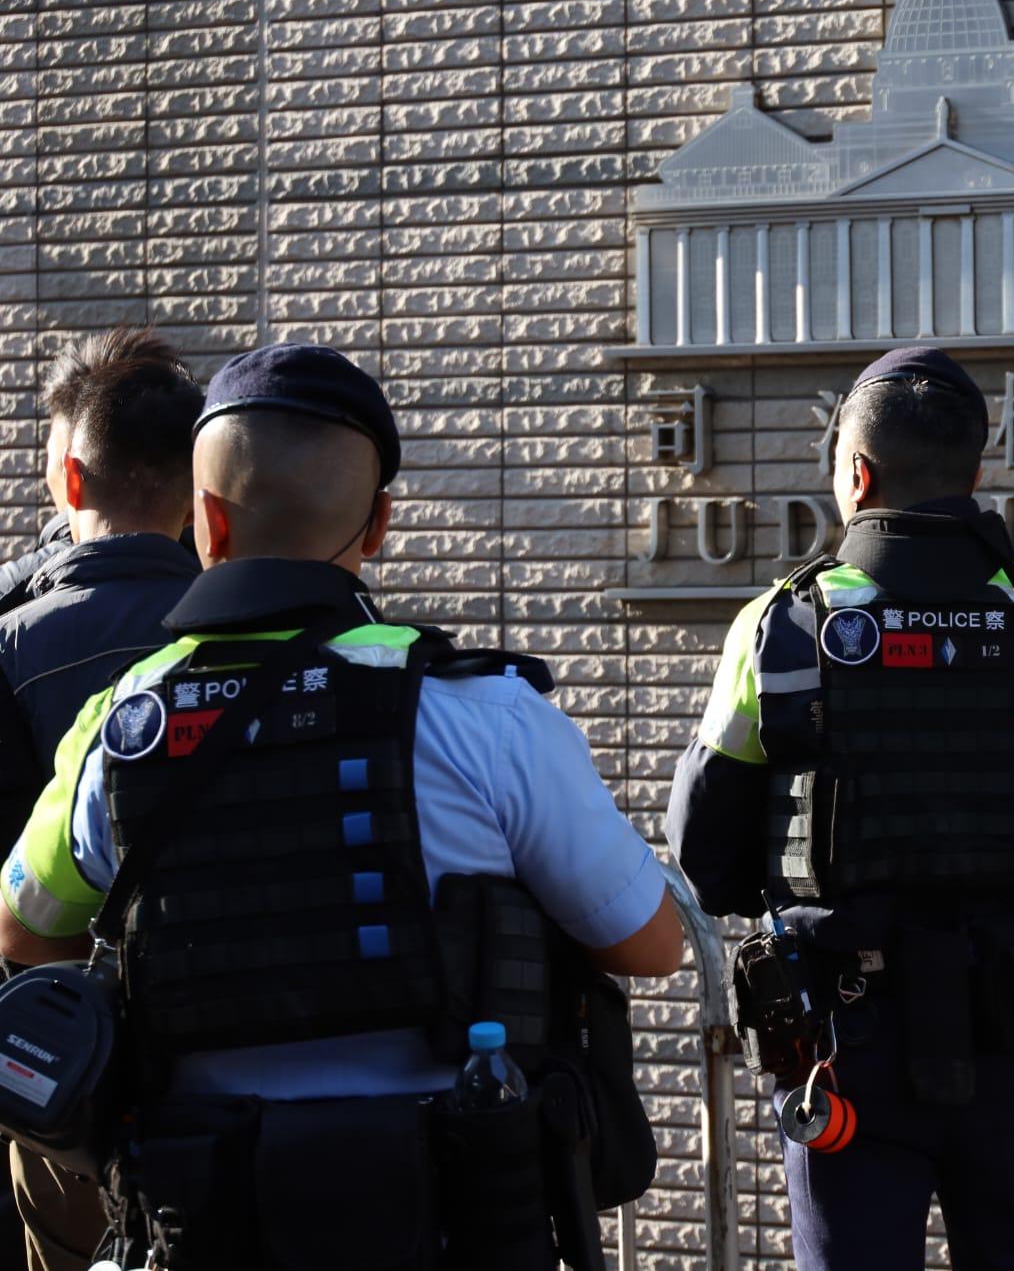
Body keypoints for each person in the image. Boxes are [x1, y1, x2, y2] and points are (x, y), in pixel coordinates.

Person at [0, 341, 683, 1270]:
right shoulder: (487, 715)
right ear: (380, 524)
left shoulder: (124, 726)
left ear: (207, 521)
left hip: (208, 1218)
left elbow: (25, 927)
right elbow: (650, 943)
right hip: (454, 1217)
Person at [669, 347, 1014, 1271]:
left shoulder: (785, 623)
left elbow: (709, 856)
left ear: (856, 476)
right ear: (974, 476)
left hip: (845, 1038)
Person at [0, 326, 204, 1271]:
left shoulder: (14, 641)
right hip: (241, 1060)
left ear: (71, 477)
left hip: (55, 1071)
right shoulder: (276, 634)